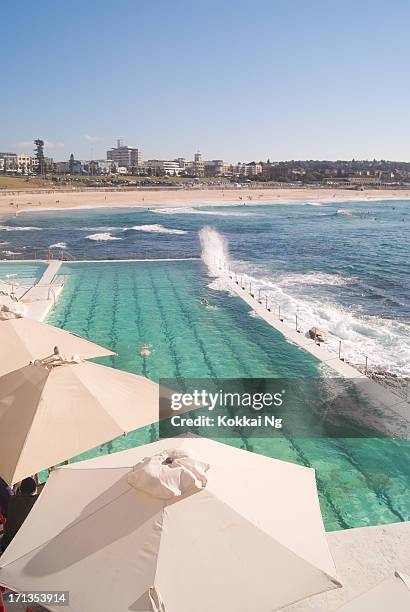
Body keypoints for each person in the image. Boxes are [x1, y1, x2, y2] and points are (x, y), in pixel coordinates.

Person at [1, 478, 38, 552]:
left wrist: (15, 488)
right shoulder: (35, 500)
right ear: (34, 489)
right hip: (23, 544)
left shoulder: (12, 501)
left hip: (7, 543)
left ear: (20, 489)